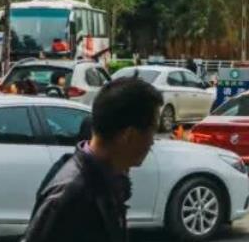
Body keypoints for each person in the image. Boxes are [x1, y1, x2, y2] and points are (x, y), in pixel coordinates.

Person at [24, 78, 164, 242]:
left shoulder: (108, 178)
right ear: (129, 136)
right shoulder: (71, 195)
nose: (152, 142)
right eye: (152, 131)